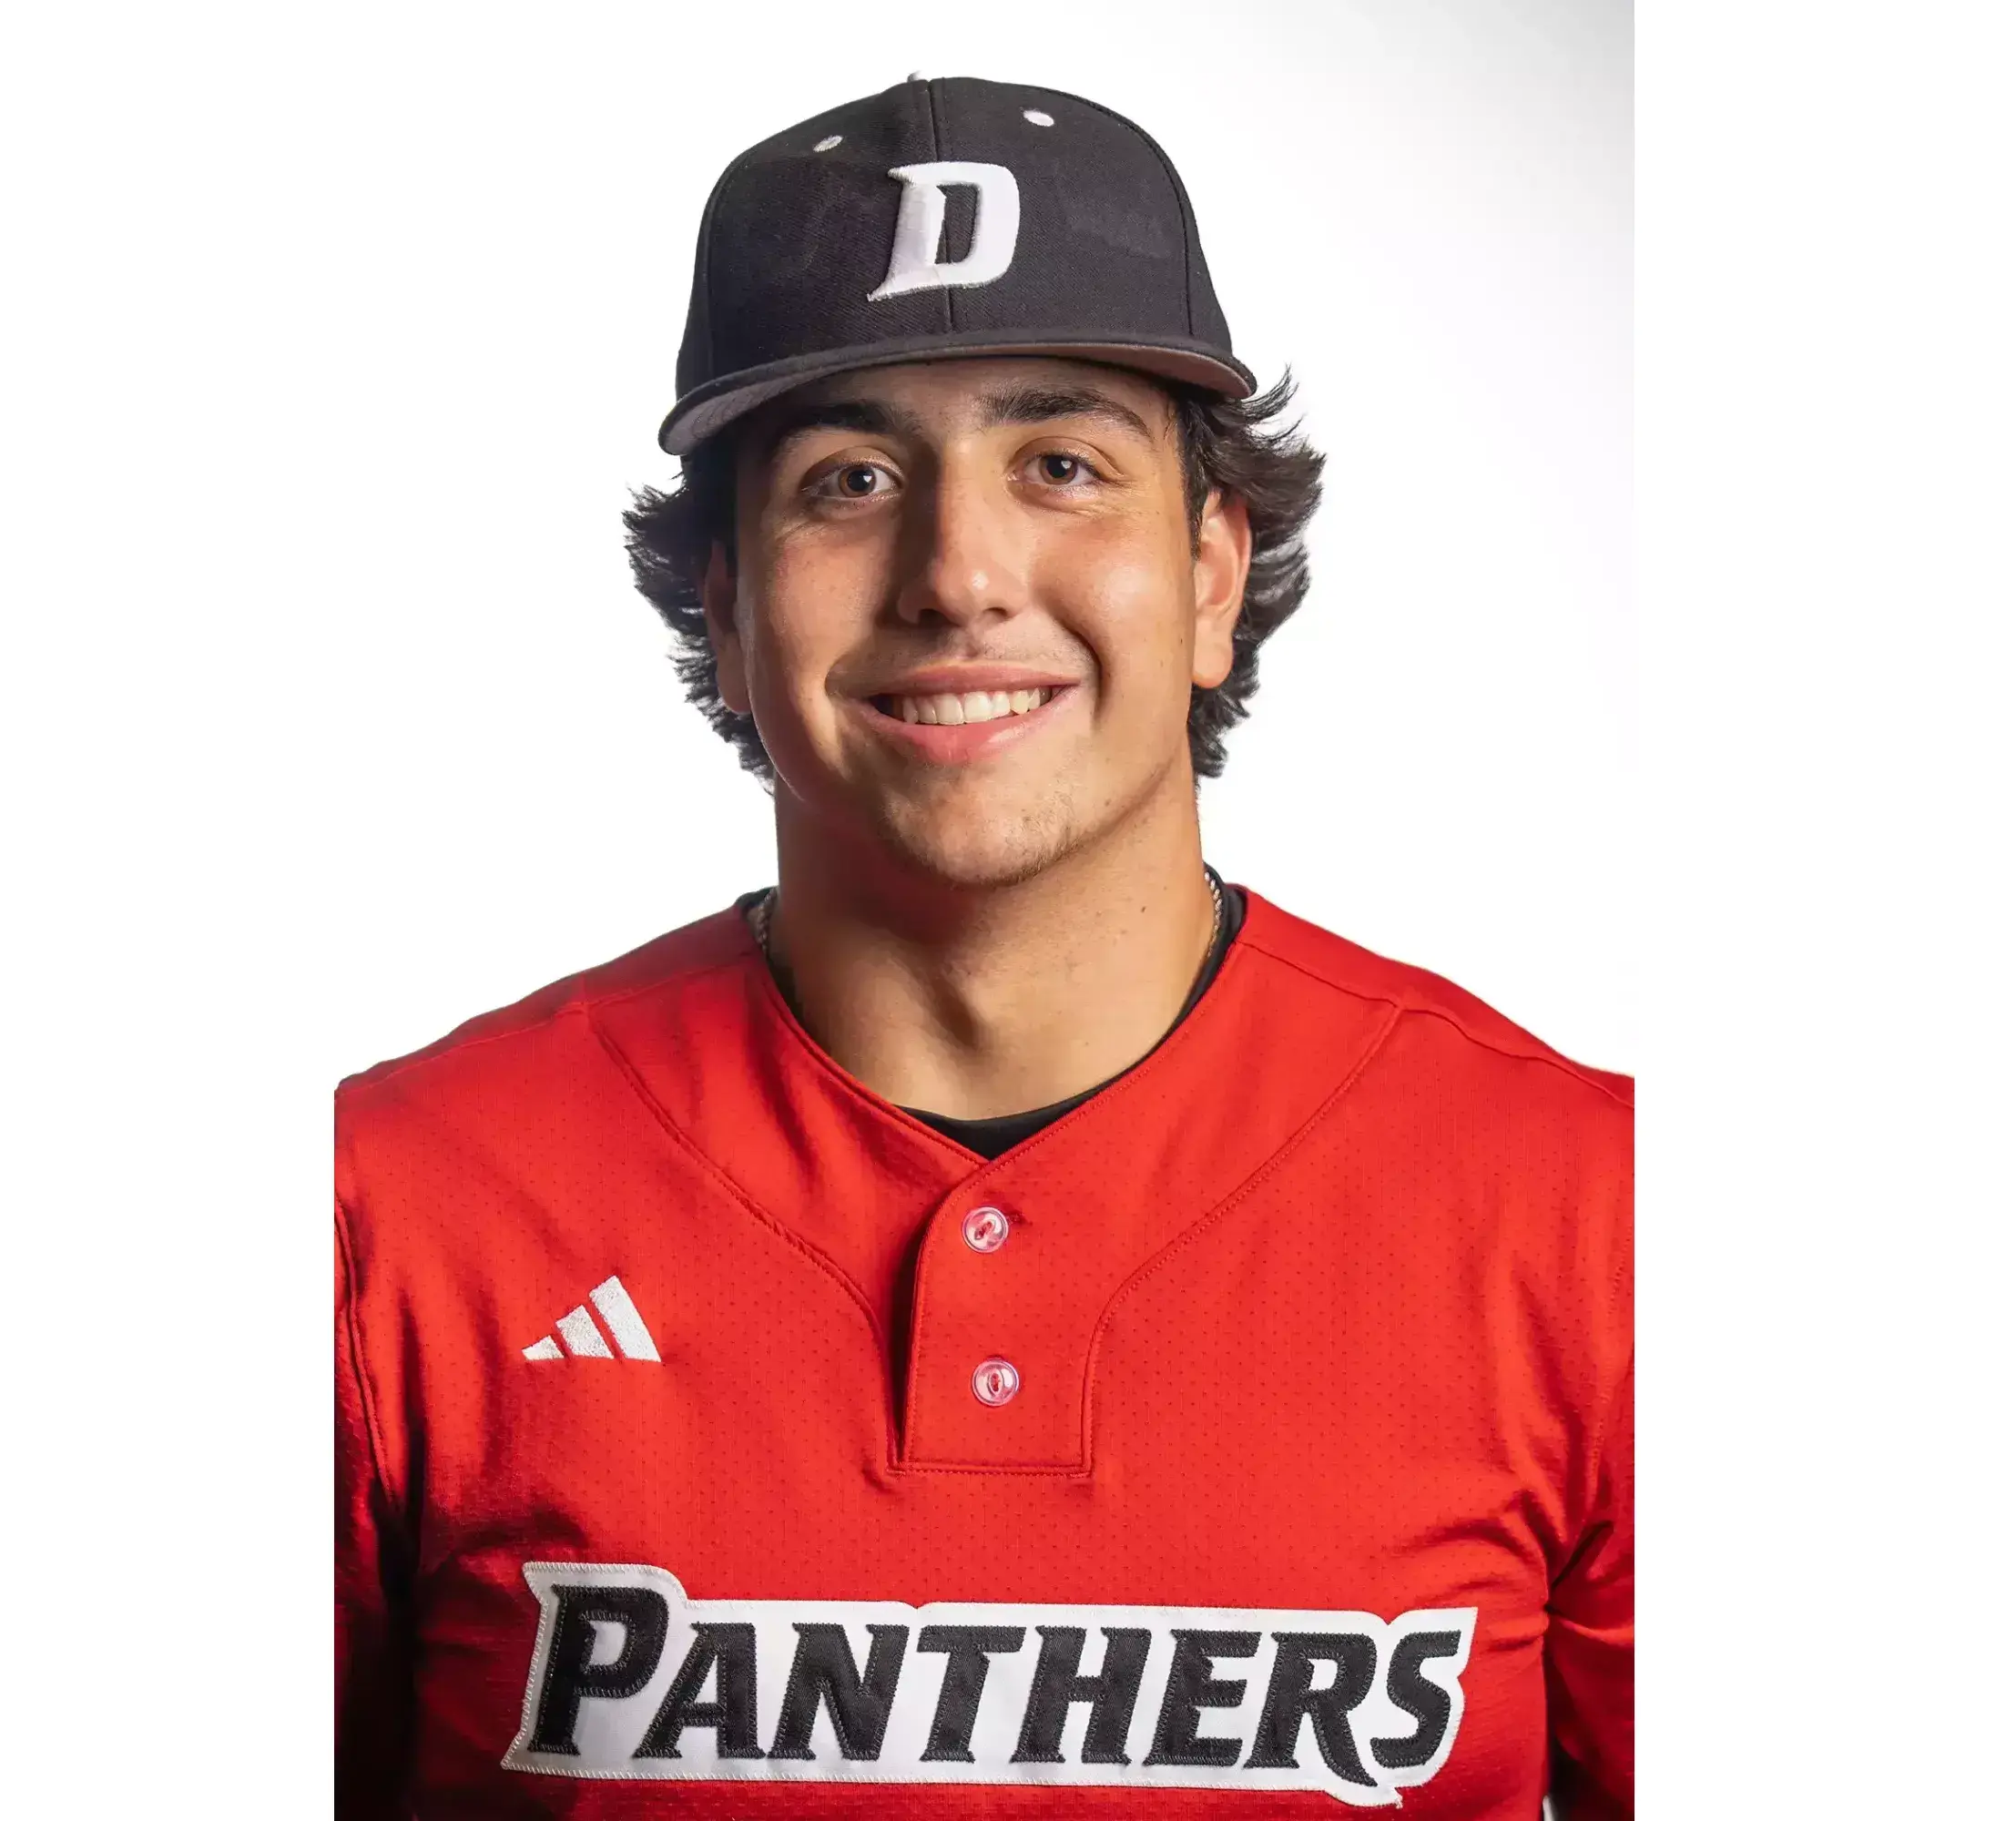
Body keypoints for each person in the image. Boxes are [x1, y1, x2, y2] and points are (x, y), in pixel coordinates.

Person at [336, 74, 1631, 1819]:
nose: (957, 572)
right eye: (850, 479)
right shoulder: (390, 1210)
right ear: (724, 604)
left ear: (1210, 572)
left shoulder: (1595, 1218)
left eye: (1061, 466)